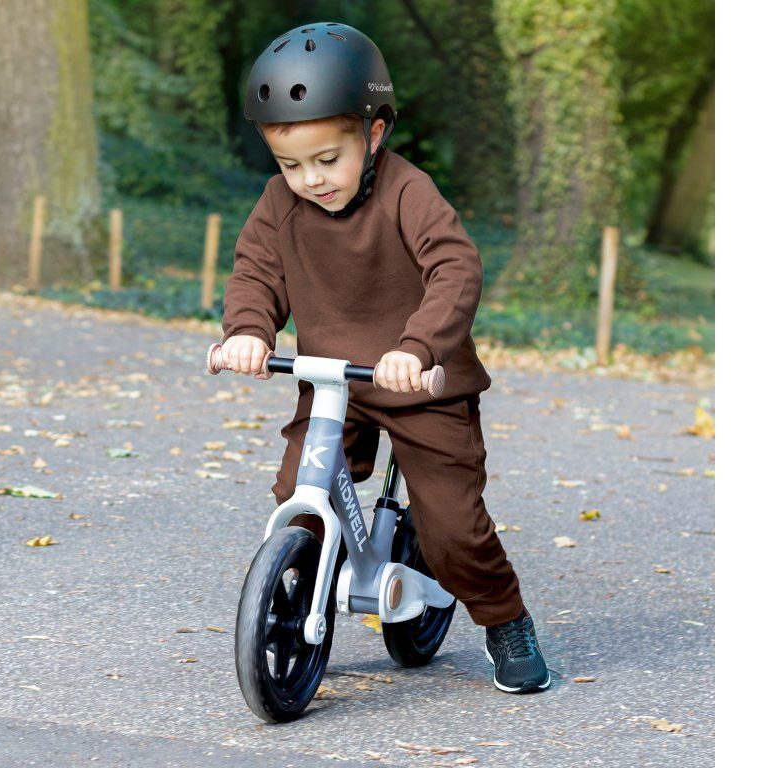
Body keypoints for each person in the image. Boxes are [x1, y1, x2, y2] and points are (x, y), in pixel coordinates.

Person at [220, 22, 550, 694]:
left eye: (327, 159)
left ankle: (505, 619)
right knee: (299, 497)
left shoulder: (407, 192)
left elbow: (454, 267)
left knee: (453, 528)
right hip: (334, 384)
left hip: (420, 382)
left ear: (373, 134)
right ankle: (304, 606)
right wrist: (248, 330)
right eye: (290, 165)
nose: (310, 180)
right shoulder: (280, 205)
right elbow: (256, 271)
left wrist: (417, 346)